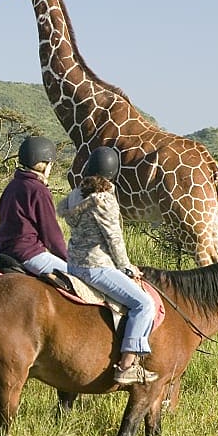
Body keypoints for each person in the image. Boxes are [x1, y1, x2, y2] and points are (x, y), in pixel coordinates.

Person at [56, 147, 158, 385]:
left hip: (74, 267)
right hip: (97, 267)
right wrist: (127, 267)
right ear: (113, 172)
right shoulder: (105, 200)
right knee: (144, 304)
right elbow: (114, 238)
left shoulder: (74, 196)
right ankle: (127, 365)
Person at [0, 135, 69, 276]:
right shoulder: (39, 190)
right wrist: (69, 258)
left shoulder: (12, 186)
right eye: (51, 164)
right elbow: (51, 234)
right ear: (45, 164)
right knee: (80, 276)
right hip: (29, 254)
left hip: (2, 252)